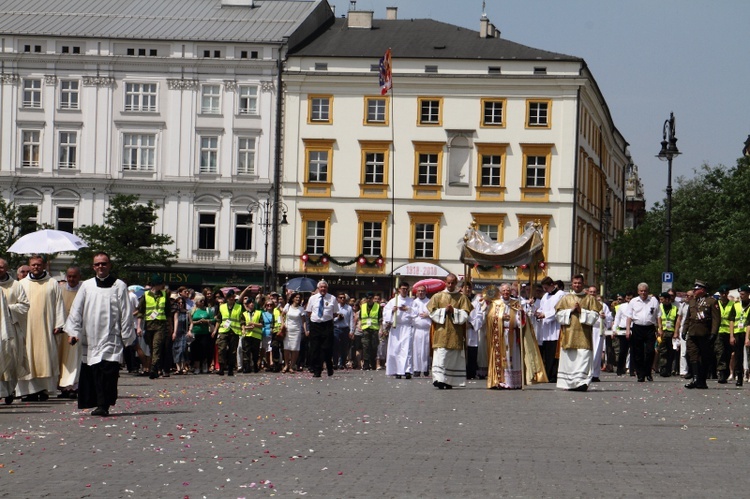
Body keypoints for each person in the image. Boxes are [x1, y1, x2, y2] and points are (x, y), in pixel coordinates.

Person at [64, 252, 135, 417]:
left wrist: (126, 336)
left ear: (109, 265)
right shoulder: (87, 286)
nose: (101, 267)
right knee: (95, 372)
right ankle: (98, 403)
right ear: (93, 267)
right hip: (91, 335)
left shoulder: (119, 286)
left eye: (104, 263)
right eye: (97, 264)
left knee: (108, 372)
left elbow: (126, 312)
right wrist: (73, 332)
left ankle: (104, 405)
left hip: (112, 336)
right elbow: (76, 309)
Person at [17, 255, 65, 401]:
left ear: (44, 265)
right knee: (27, 357)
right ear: (29, 266)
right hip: (27, 327)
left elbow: (59, 304)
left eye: (38, 265)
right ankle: (28, 391)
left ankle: (44, 389)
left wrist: (59, 324)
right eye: (33, 265)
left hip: (46, 326)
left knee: (46, 356)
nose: (36, 267)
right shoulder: (22, 284)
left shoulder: (52, 283)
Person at [554, 274, 602, 391]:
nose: (577, 285)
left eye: (579, 283)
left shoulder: (590, 299)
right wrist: (570, 311)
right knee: (570, 360)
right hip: (569, 335)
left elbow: (595, 316)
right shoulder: (566, 298)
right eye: (575, 283)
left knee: (583, 358)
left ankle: (582, 383)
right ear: (572, 283)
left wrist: (582, 312)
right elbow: (558, 315)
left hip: (584, 336)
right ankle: (570, 383)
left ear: (583, 283)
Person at [426, 273, 472, 389]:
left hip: (455, 332)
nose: (450, 285)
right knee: (441, 355)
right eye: (448, 282)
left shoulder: (462, 298)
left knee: (452, 357)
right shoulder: (437, 296)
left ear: (456, 283)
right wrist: (444, 311)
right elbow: (431, 313)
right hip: (441, 331)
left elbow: (465, 314)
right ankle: (439, 379)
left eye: (453, 283)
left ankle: (449, 381)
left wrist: (454, 311)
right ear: (445, 282)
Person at [0, 258, 29, 405]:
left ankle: (10, 389)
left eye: (1, 267)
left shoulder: (16, 285)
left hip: (11, 328)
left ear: (6, 268)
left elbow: (24, 306)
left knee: (11, 359)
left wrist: (6, 308)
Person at [683, 280, 720, 389]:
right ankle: (695, 378)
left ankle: (702, 380)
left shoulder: (711, 302)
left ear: (702, 290)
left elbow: (716, 320)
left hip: (704, 333)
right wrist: (684, 330)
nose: (694, 291)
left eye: (696, 289)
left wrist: (713, 333)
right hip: (693, 332)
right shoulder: (692, 302)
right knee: (693, 355)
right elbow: (688, 318)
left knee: (704, 357)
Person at [138, 275, 171, 379]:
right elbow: (141, 311)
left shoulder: (165, 295)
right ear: (156, 284)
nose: (163, 286)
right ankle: (156, 369)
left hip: (160, 325)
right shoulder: (146, 295)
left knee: (157, 347)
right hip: (148, 325)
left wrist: (170, 326)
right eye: (161, 284)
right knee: (152, 348)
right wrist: (138, 327)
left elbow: (168, 312)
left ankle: (153, 369)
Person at [625, 282, 660, 382]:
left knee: (650, 351)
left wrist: (660, 328)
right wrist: (628, 330)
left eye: (645, 291)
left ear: (648, 291)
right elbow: (629, 317)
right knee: (638, 352)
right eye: (641, 291)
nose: (643, 293)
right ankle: (640, 374)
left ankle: (648, 372)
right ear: (638, 291)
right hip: (637, 328)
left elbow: (658, 315)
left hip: (650, 328)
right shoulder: (633, 301)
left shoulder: (653, 301)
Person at [57, 266, 82, 398]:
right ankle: (64, 387)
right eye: (69, 276)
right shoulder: (60, 290)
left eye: (74, 276)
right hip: (63, 330)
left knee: (75, 358)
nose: (71, 279)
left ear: (79, 277)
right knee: (62, 359)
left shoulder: (83, 291)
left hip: (77, 330)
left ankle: (74, 386)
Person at [305, 280, 339, 377]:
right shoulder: (313, 298)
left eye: (325, 287)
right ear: (318, 288)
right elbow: (308, 312)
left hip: (327, 325)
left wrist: (326, 318)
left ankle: (329, 366)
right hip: (315, 325)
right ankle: (317, 370)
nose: (323, 289)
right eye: (321, 287)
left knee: (326, 348)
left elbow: (335, 312)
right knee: (315, 348)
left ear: (327, 288)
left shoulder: (332, 298)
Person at [383, 281, 415, 379]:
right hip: (396, 327)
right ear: (399, 289)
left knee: (407, 349)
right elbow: (385, 312)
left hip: (406, 327)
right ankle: (397, 370)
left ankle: (407, 370)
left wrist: (408, 309)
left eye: (406, 289)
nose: (404, 290)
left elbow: (415, 313)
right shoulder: (393, 301)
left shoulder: (411, 301)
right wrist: (392, 311)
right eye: (403, 289)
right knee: (396, 349)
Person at [535, 276, 563, 382]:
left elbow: (559, 310)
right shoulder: (545, 296)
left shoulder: (561, 295)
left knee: (554, 352)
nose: (545, 290)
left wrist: (545, 315)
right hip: (546, 329)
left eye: (546, 288)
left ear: (552, 285)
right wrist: (538, 313)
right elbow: (541, 307)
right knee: (547, 353)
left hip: (555, 328)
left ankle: (554, 375)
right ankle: (547, 373)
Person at [212, 289, 242, 376]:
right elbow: (218, 319)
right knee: (222, 349)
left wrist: (243, 328)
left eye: (233, 297)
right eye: (230, 297)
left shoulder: (239, 307)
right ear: (227, 298)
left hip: (234, 331)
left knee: (232, 351)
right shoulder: (222, 307)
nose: (232, 299)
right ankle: (221, 368)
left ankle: (230, 369)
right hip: (223, 331)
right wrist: (215, 331)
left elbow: (241, 319)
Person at [587, 286, 612, 383]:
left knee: (597, 352)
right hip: (587, 328)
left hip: (597, 330)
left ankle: (595, 374)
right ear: (588, 292)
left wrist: (604, 317)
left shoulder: (602, 305)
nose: (592, 293)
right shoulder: (585, 303)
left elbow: (609, 319)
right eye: (591, 292)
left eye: (594, 292)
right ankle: (586, 373)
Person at [713, 285, 735, 384]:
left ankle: (725, 372)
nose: (724, 295)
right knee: (720, 352)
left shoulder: (732, 304)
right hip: (718, 332)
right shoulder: (716, 304)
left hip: (729, 332)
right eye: (722, 293)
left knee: (728, 353)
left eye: (725, 293)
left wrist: (731, 335)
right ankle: (721, 373)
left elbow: (732, 319)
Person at [282, 292, 306, 373]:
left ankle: (292, 365)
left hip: (297, 330)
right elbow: (282, 315)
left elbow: (304, 321)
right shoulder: (288, 306)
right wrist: (282, 324)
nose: (298, 299)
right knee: (286, 348)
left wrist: (305, 330)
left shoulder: (301, 309)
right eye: (296, 297)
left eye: (299, 298)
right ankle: (286, 365)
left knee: (295, 348)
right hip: (288, 329)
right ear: (293, 298)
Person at [189, 296, 214, 374]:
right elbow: (191, 322)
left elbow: (213, 319)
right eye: (200, 301)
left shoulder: (207, 310)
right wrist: (198, 322)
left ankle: (205, 365)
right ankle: (197, 367)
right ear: (196, 302)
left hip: (205, 333)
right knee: (196, 350)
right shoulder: (193, 310)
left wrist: (207, 321)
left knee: (205, 350)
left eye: (203, 301)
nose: (202, 302)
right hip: (196, 333)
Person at [411, 285, 431, 377]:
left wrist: (428, 315)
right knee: (417, 350)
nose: (420, 292)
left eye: (422, 291)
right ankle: (417, 369)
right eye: (419, 291)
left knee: (426, 350)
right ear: (416, 292)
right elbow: (411, 314)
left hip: (427, 329)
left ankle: (425, 368)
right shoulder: (413, 302)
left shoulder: (430, 302)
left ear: (425, 292)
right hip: (417, 329)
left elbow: (434, 312)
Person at [657, 292, 678, 377]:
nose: (661, 301)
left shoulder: (675, 308)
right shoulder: (659, 308)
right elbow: (658, 319)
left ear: (667, 299)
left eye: (662, 299)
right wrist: (659, 329)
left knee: (671, 352)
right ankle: (663, 369)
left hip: (671, 333)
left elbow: (677, 321)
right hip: (662, 332)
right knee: (662, 351)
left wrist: (676, 332)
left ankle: (670, 369)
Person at [732, 285, 749, 387]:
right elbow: (732, 320)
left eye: (743, 294)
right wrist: (731, 335)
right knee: (738, 356)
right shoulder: (736, 305)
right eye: (740, 294)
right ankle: (739, 377)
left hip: (748, 333)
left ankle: (748, 375)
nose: (741, 296)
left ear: (748, 294)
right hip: (738, 332)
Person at [359, 292, 381, 371]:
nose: (369, 299)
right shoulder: (363, 306)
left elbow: (380, 318)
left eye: (370, 298)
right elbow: (361, 317)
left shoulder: (377, 306)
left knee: (374, 347)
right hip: (365, 329)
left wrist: (381, 329)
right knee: (366, 347)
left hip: (374, 329)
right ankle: (366, 364)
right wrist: (360, 326)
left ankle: (373, 364)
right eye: (367, 298)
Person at [333, 293, 353, 370]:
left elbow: (351, 320)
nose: (342, 299)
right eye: (340, 298)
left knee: (344, 347)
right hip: (336, 328)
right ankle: (335, 363)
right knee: (335, 346)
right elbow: (331, 318)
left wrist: (351, 331)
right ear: (337, 299)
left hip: (345, 328)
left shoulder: (349, 308)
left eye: (343, 298)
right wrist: (337, 318)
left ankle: (342, 363)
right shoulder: (335, 307)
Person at [172, 296, 190, 375]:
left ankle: (183, 367)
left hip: (184, 332)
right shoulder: (175, 312)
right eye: (179, 303)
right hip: (176, 333)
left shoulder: (187, 312)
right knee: (176, 349)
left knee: (182, 350)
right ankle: (178, 368)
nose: (181, 304)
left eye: (182, 303)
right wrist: (174, 332)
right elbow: (175, 322)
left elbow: (191, 323)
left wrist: (189, 331)